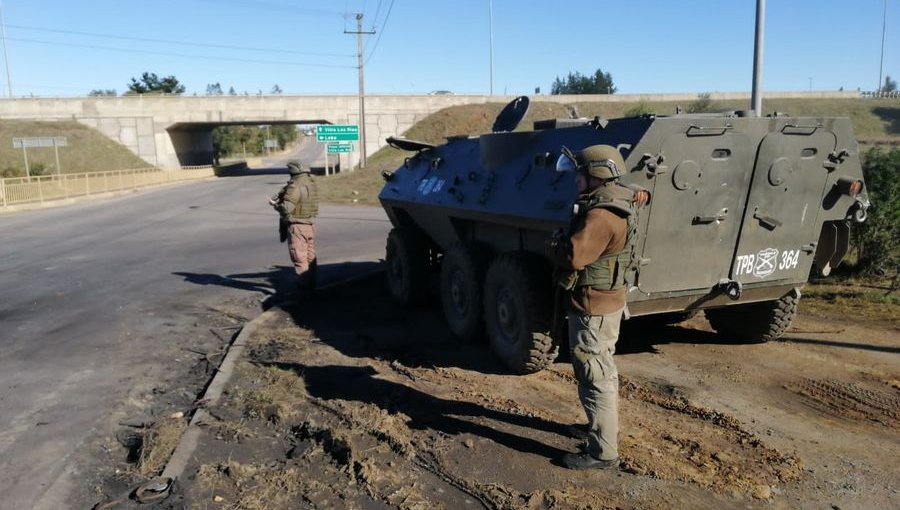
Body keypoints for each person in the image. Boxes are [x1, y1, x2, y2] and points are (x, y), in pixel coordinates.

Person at [548, 144, 646, 470]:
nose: (576, 179)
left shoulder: (601, 216)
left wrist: (558, 246)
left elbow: (575, 256)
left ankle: (602, 452)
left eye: (582, 174)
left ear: (598, 175)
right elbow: (640, 194)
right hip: (605, 303)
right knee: (599, 370)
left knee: (595, 375)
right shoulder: (618, 198)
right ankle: (599, 427)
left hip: (593, 307)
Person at [271, 160, 319, 290]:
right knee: (310, 258)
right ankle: (312, 287)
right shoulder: (311, 183)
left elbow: (286, 208)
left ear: (293, 171)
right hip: (310, 225)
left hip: (297, 226)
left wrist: (275, 205)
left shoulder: (295, 186)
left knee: (300, 259)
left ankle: (303, 291)